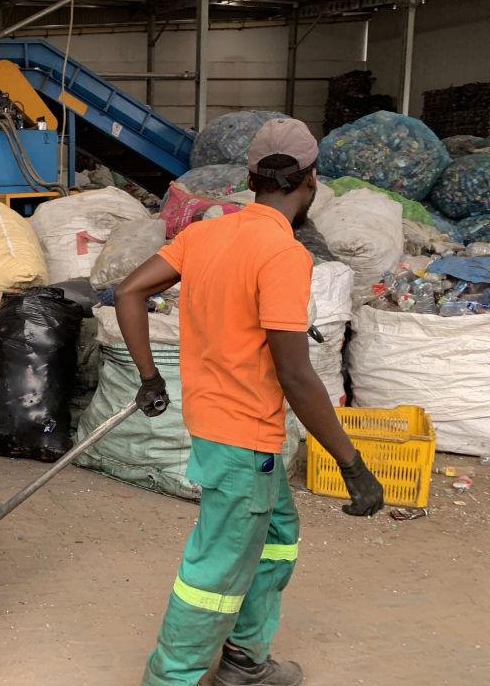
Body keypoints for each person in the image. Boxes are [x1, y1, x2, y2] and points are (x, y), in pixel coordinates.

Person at [114, 118, 384, 686]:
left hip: (216, 426)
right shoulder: (282, 253)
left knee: (278, 534)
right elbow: (296, 375)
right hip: (244, 440)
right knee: (213, 571)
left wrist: (150, 377)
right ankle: (170, 678)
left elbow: (129, 290)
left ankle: (244, 661)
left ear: (251, 177)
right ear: (311, 180)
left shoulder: (205, 235)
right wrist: (351, 463)